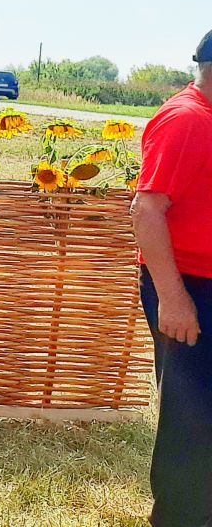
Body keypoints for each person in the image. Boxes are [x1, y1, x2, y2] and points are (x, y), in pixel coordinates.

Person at [133, 29, 212, 526]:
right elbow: (145, 211)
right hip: (192, 287)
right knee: (192, 416)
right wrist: (174, 298)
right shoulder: (187, 121)